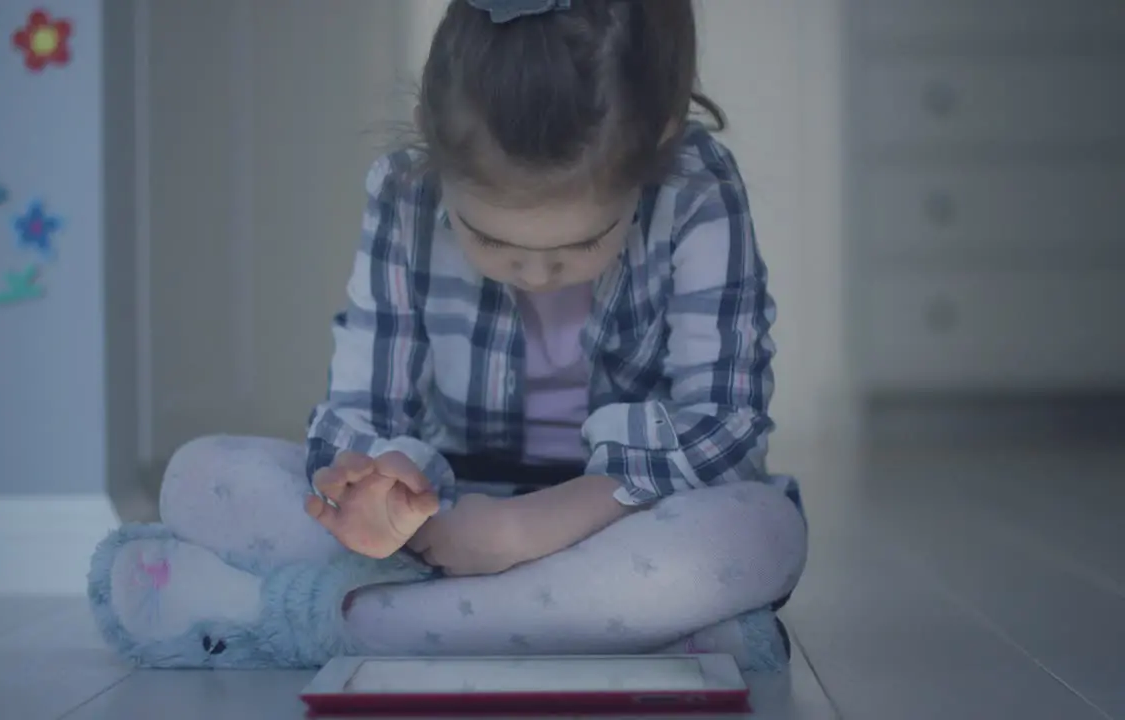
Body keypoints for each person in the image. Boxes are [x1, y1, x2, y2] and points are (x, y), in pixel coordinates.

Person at [88, 0, 807, 673]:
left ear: (657, 147)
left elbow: (726, 428)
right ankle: (620, 627)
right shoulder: (405, 193)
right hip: (447, 513)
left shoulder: (695, 184)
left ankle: (325, 619)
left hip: (618, 514)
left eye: (581, 244)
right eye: (489, 239)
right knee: (196, 477)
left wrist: (531, 530)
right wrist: (373, 483)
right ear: (433, 152)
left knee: (759, 533)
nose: (533, 274)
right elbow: (362, 408)